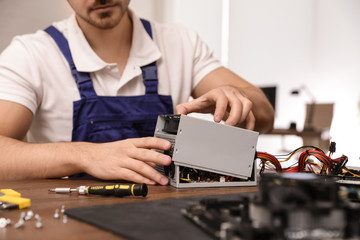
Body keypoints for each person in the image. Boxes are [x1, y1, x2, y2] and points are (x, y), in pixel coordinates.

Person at [0, 0, 274, 185]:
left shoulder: (180, 43)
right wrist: (85, 154)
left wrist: (237, 96)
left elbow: (264, 115)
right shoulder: (30, 54)